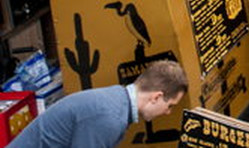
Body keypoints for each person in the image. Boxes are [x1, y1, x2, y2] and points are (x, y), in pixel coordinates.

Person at [10, 61, 185, 148]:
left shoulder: (116, 99)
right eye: (170, 105)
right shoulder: (110, 118)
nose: (168, 112)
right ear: (156, 97)